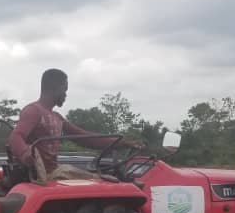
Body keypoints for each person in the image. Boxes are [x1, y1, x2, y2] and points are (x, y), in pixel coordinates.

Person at [7, 68, 139, 180]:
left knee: (100, 179)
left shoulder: (57, 117)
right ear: (54, 88)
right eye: (64, 90)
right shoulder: (33, 111)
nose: (65, 95)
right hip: (40, 177)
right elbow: (16, 137)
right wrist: (25, 154)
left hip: (54, 173)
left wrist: (122, 143)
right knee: (101, 181)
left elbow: (86, 138)